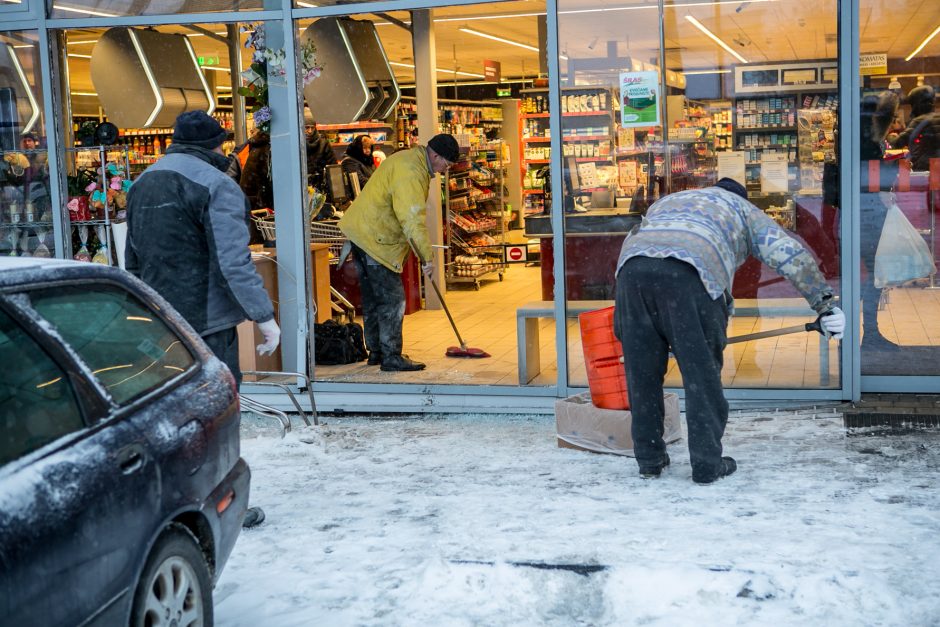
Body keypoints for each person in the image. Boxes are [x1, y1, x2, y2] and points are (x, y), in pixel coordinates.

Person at [613, 178, 845, 484]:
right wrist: (824, 304)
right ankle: (707, 463)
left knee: (641, 374)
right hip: (689, 273)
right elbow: (790, 254)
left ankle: (649, 460)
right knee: (701, 376)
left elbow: (637, 236)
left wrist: (629, 327)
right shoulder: (743, 210)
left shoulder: (671, 201)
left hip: (632, 271)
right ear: (742, 198)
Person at [125, 110, 280, 388]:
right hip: (208, 319)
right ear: (214, 144)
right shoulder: (217, 185)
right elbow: (232, 262)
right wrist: (264, 317)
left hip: (162, 318)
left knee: (173, 399)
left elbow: (133, 258)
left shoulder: (141, 183)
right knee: (216, 401)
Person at [337, 134, 459, 372]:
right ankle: (391, 355)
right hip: (376, 238)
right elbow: (412, 218)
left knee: (373, 298)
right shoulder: (412, 173)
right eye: (447, 164)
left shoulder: (408, 159)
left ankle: (376, 351)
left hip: (361, 234)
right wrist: (427, 257)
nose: (446, 170)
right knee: (393, 299)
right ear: (435, 156)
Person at [305, 120, 336, 192]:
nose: (310, 131)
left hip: (320, 185)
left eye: (312, 128)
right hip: (301, 184)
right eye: (306, 128)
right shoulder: (295, 142)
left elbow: (332, 166)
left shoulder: (323, 143)